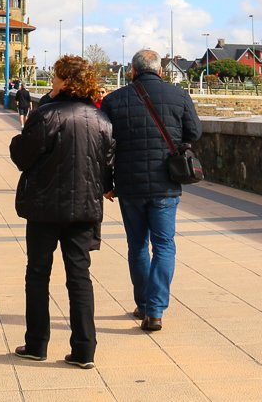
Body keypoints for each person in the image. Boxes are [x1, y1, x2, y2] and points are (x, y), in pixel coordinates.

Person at [10, 55, 114, 369]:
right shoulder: (101, 120)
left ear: (66, 81)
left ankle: (36, 343)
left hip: (44, 207)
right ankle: (84, 348)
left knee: (38, 274)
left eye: (56, 77)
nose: (52, 81)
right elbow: (107, 166)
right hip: (83, 209)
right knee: (79, 276)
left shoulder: (46, 115)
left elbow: (23, 156)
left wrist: (20, 136)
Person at [99, 49, 201, 332]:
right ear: (160, 71)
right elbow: (194, 132)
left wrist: (106, 183)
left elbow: (103, 145)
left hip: (129, 184)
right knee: (164, 245)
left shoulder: (113, 100)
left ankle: (144, 304)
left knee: (137, 245)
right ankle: (155, 310)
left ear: (132, 71)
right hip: (166, 182)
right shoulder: (179, 95)